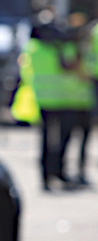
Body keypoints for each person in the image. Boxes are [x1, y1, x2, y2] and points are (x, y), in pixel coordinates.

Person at [20, 12, 96, 190]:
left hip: (44, 99)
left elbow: (25, 71)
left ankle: (46, 175)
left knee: (46, 139)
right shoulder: (63, 47)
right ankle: (58, 172)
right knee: (62, 139)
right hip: (63, 99)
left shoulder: (32, 48)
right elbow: (75, 68)